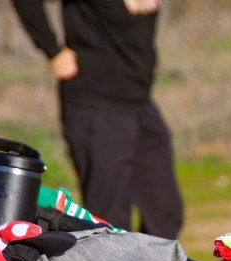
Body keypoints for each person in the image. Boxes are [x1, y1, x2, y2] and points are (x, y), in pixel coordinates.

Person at [10, 0, 183, 238]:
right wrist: (52, 50)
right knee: (110, 223)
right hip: (96, 103)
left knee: (165, 213)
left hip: (139, 103)